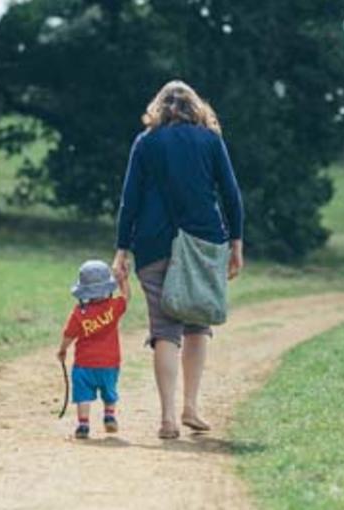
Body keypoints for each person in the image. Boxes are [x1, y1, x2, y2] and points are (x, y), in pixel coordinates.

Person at [110, 81, 245, 440]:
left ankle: (168, 418)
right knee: (198, 322)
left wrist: (121, 250)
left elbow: (130, 200)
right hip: (203, 242)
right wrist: (237, 242)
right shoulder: (210, 141)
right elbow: (231, 194)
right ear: (196, 107)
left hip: (154, 244)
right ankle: (191, 407)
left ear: (159, 108)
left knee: (164, 329)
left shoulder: (146, 142)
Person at [57, 260, 130, 439]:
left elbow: (69, 334)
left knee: (83, 395)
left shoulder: (79, 313)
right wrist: (124, 280)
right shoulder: (113, 307)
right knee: (109, 391)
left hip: (84, 364)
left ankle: (83, 425)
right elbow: (126, 297)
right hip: (110, 363)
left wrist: (62, 350)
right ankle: (109, 416)